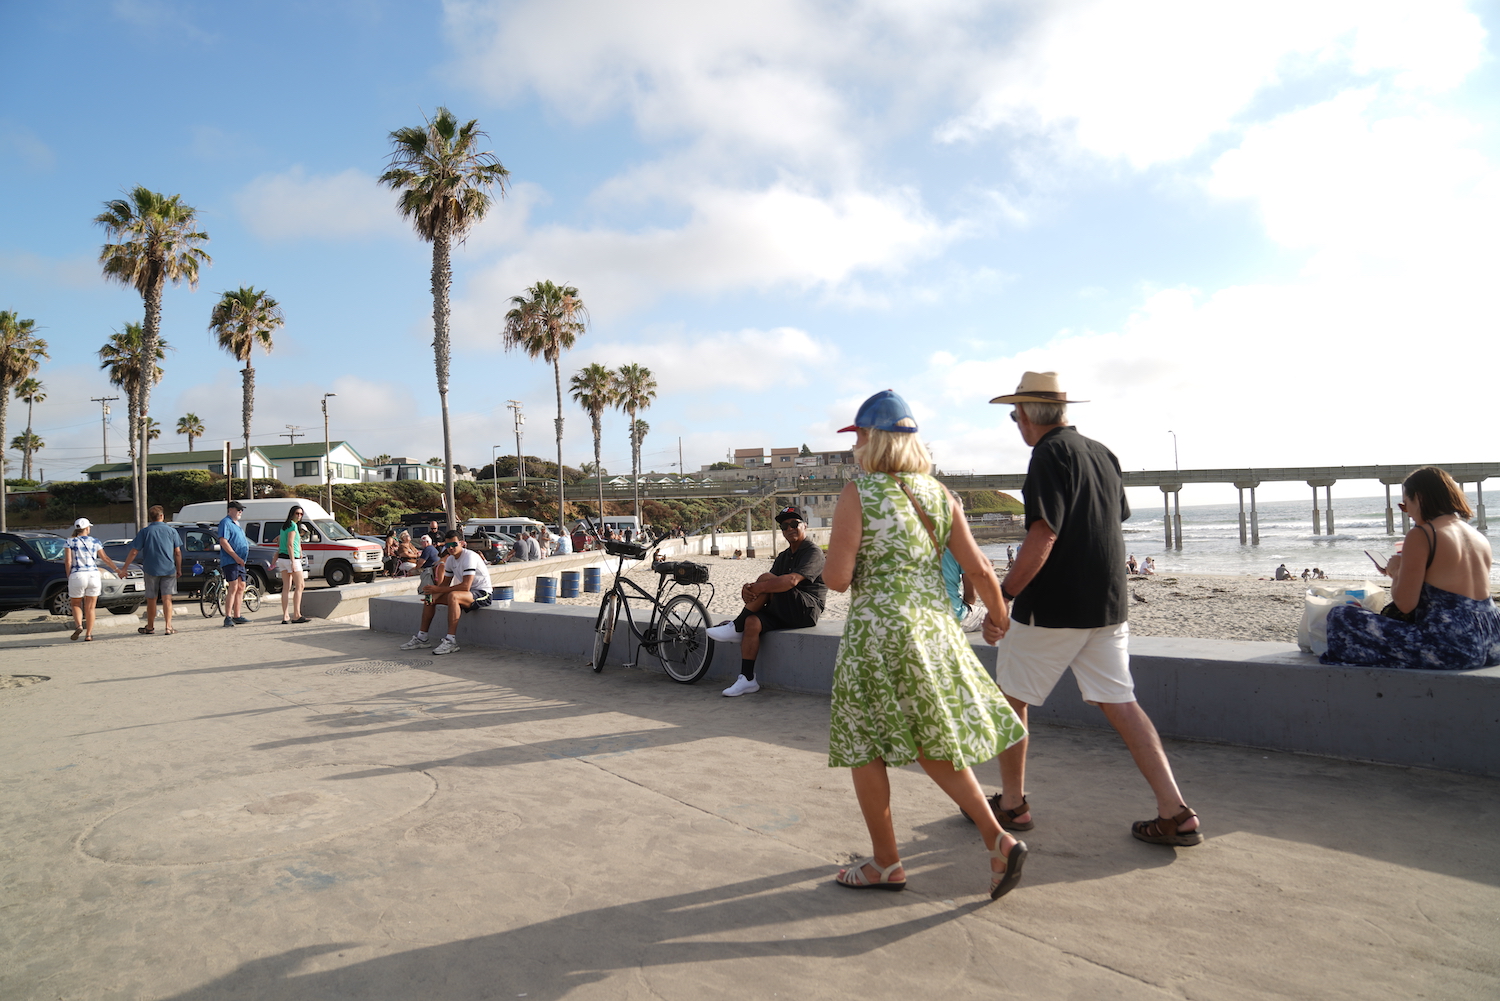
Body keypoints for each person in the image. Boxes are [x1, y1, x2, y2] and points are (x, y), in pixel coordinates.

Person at [982, 371, 1203, 848]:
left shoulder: (1046, 454)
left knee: (1011, 698)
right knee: (1121, 703)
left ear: (1028, 415)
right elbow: (1111, 519)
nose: (1014, 421)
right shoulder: (1102, 453)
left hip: (1054, 605)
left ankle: (1014, 804)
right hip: (1107, 604)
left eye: (1014, 412)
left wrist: (1005, 595)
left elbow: (1045, 533)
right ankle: (1175, 810)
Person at [822, 390, 1028, 898]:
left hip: (878, 635)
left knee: (864, 747)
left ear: (873, 440)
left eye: (860, 437)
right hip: (936, 632)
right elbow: (979, 569)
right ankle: (996, 838)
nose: (856, 447)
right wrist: (999, 619)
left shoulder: (860, 493)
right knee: (933, 741)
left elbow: (837, 579)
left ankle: (886, 864)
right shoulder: (940, 495)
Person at [1323, 466, 1500, 669]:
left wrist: (1397, 570)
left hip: (1454, 643)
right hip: (1493, 638)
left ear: (1420, 498)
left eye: (1405, 505)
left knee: (1340, 617)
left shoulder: (1422, 534)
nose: (1407, 514)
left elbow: (1405, 604)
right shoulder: (1476, 535)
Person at [706, 505, 828, 697]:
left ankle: (735, 626)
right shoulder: (784, 556)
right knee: (752, 622)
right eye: (785, 526)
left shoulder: (812, 552)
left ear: (805, 525)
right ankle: (747, 679)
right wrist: (749, 589)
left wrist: (758, 586)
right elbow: (771, 584)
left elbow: (791, 581)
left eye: (794, 524)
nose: (789, 529)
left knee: (765, 579)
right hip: (785, 608)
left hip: (806, 610)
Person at [399, 530, 493, 656]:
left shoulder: (469, 557)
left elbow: (465, 586)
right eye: (448, 546)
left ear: (462, 543)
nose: (451, 548)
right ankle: (422, 638)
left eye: (454, 545)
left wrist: (437, 590)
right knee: (429, 598)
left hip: (482, 594)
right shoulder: (450, 560)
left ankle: (451, 641)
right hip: (467, 594)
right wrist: (433, 596)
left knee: (453, 596)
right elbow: (445, 584)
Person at [119, 505, 181, 635]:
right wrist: (179, 569)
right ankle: (168, 627)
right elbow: (177, 552)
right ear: (162, 516)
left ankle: (150, 626)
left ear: (150, 518)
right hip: (168, 568)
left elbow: (134, 551)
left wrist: (124, 568)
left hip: (150, 569)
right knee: (167, 599)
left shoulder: (145, 532)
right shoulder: (171, 531)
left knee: (151, 599)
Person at [64, 517, 123, 642]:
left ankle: (79, 625)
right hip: (93, 575)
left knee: (75, 604)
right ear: (86, 528)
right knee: (90, 607)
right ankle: (89, 634)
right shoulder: (95, 541)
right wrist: (117, 570)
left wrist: (69, 575)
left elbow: (68, 561)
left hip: (77, 575)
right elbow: (105, 558)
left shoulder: (69, 541)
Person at [216, 501, 252, 627]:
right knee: (233, 587)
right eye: (238, 510)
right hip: (231, 560)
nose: (240, 512)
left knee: (241, 586)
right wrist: (235, 557)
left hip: (240, 561)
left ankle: (237, 615)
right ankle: (228, 616)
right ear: (230, 510)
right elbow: (223, 541)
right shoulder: (226, 522)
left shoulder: (237, 524)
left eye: (241, 510)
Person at [276, 504, 310, 624]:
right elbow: (290, 544)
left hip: (282, 558)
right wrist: (293, 561)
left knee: (286, 587)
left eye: (301, 514)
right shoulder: (292, 525)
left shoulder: (284, 526)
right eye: (297, 513)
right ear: (292, 514)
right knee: (300, 586)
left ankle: (285, 616)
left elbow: (281, 541)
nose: (299, 516)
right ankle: (296, 614)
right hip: (291, 558)